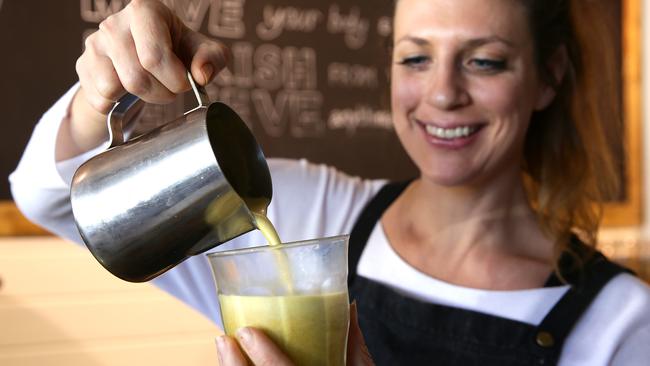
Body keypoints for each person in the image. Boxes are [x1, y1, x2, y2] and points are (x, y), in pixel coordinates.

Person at [9, 0, 650, 364]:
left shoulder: (621, 322)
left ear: (548, 76)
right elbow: (52, 198)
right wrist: (102, 94)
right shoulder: (312, 215)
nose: (443, 94)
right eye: (416, 58)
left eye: (484, 61)